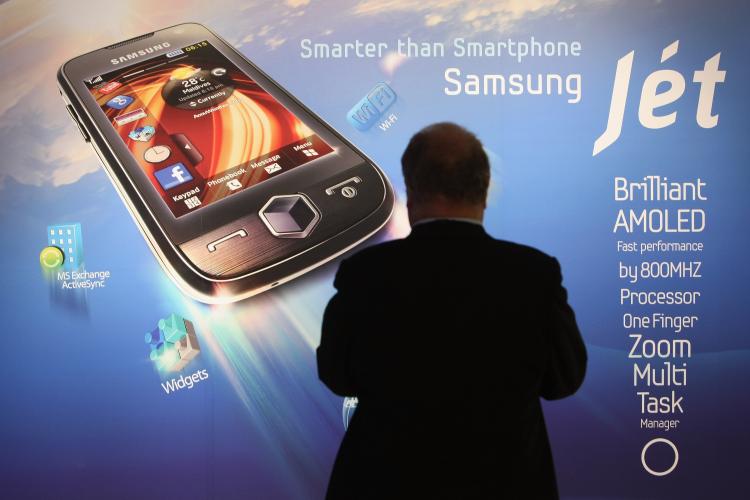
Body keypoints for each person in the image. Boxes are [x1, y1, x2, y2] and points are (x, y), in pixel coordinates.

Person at [317, 122, 587, 499]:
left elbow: (336, 375)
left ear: (411, 192)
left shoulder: (364, 275)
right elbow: (564, 381)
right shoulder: (533, 275)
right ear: (483, 192)